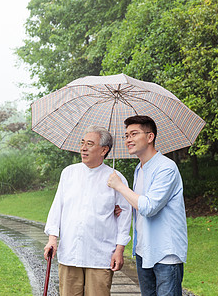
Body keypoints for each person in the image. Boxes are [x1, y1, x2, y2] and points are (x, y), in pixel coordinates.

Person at [44, 125, 132, 296]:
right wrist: (52, 238)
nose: (83, 148)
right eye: (82, 143)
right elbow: (57, 207)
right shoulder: (69, 173)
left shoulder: (116, 178)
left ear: (104, 150)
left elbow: (125, 216)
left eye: (90, 144)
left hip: (100, 255)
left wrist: (120, 250)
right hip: (70, 252)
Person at [107, 115, 187, 296]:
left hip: (165, 253)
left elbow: (150, 207)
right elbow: (139, 202)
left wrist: (120, 186)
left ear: (150, 137)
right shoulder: (139, 168)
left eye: (134, 134)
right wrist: (124, 207)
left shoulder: (166, 168)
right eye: (126, 135)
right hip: (144, 250)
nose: (128, 140)